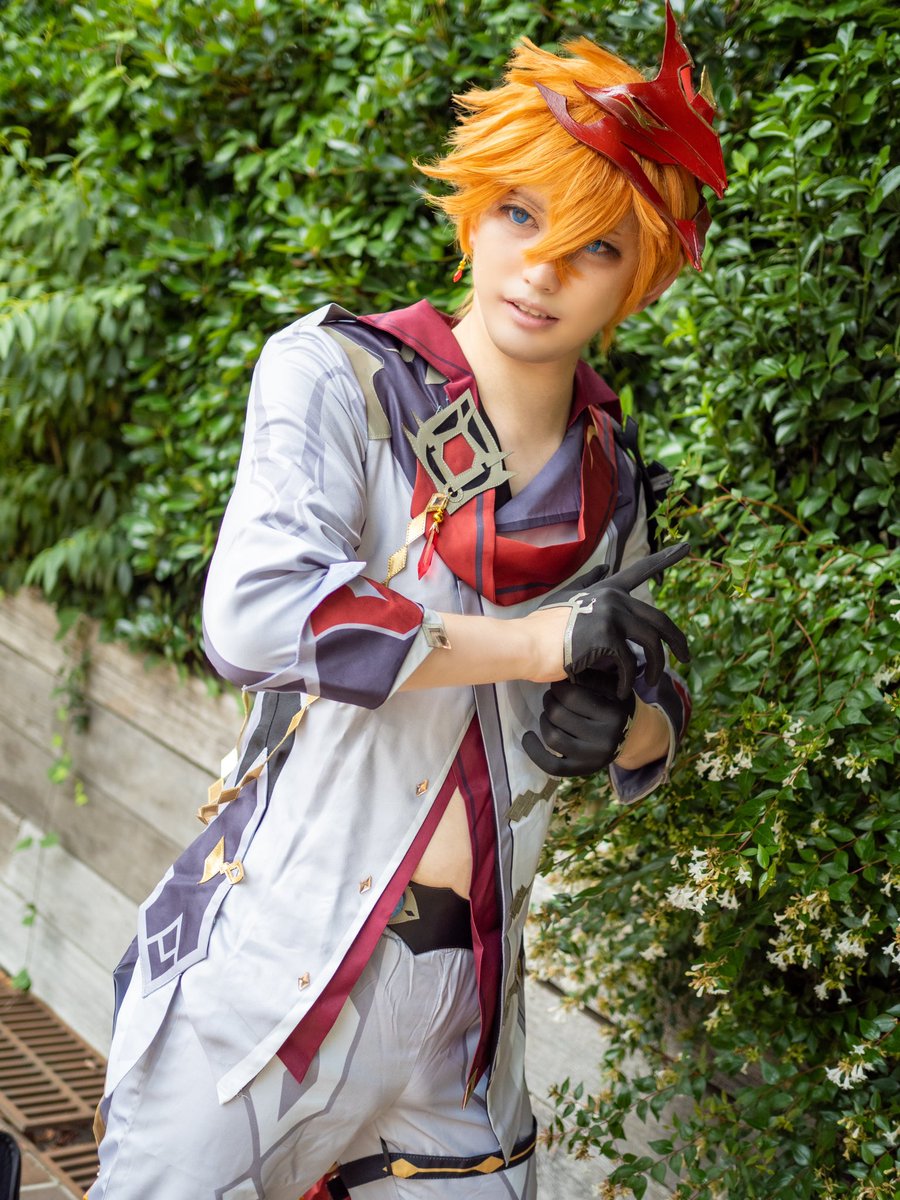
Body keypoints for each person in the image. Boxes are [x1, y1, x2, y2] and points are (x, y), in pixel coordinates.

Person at [88, 4, 725, 1197]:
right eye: (520, 213)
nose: (542, 268)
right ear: (472, 210)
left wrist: (629, 723)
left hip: (467, 1021)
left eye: (595, 246)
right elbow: (260, 614)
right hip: (274, 975)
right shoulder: (341, 379)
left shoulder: (610, 477)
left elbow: (652, 697)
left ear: (639, 275)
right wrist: (535, 645)